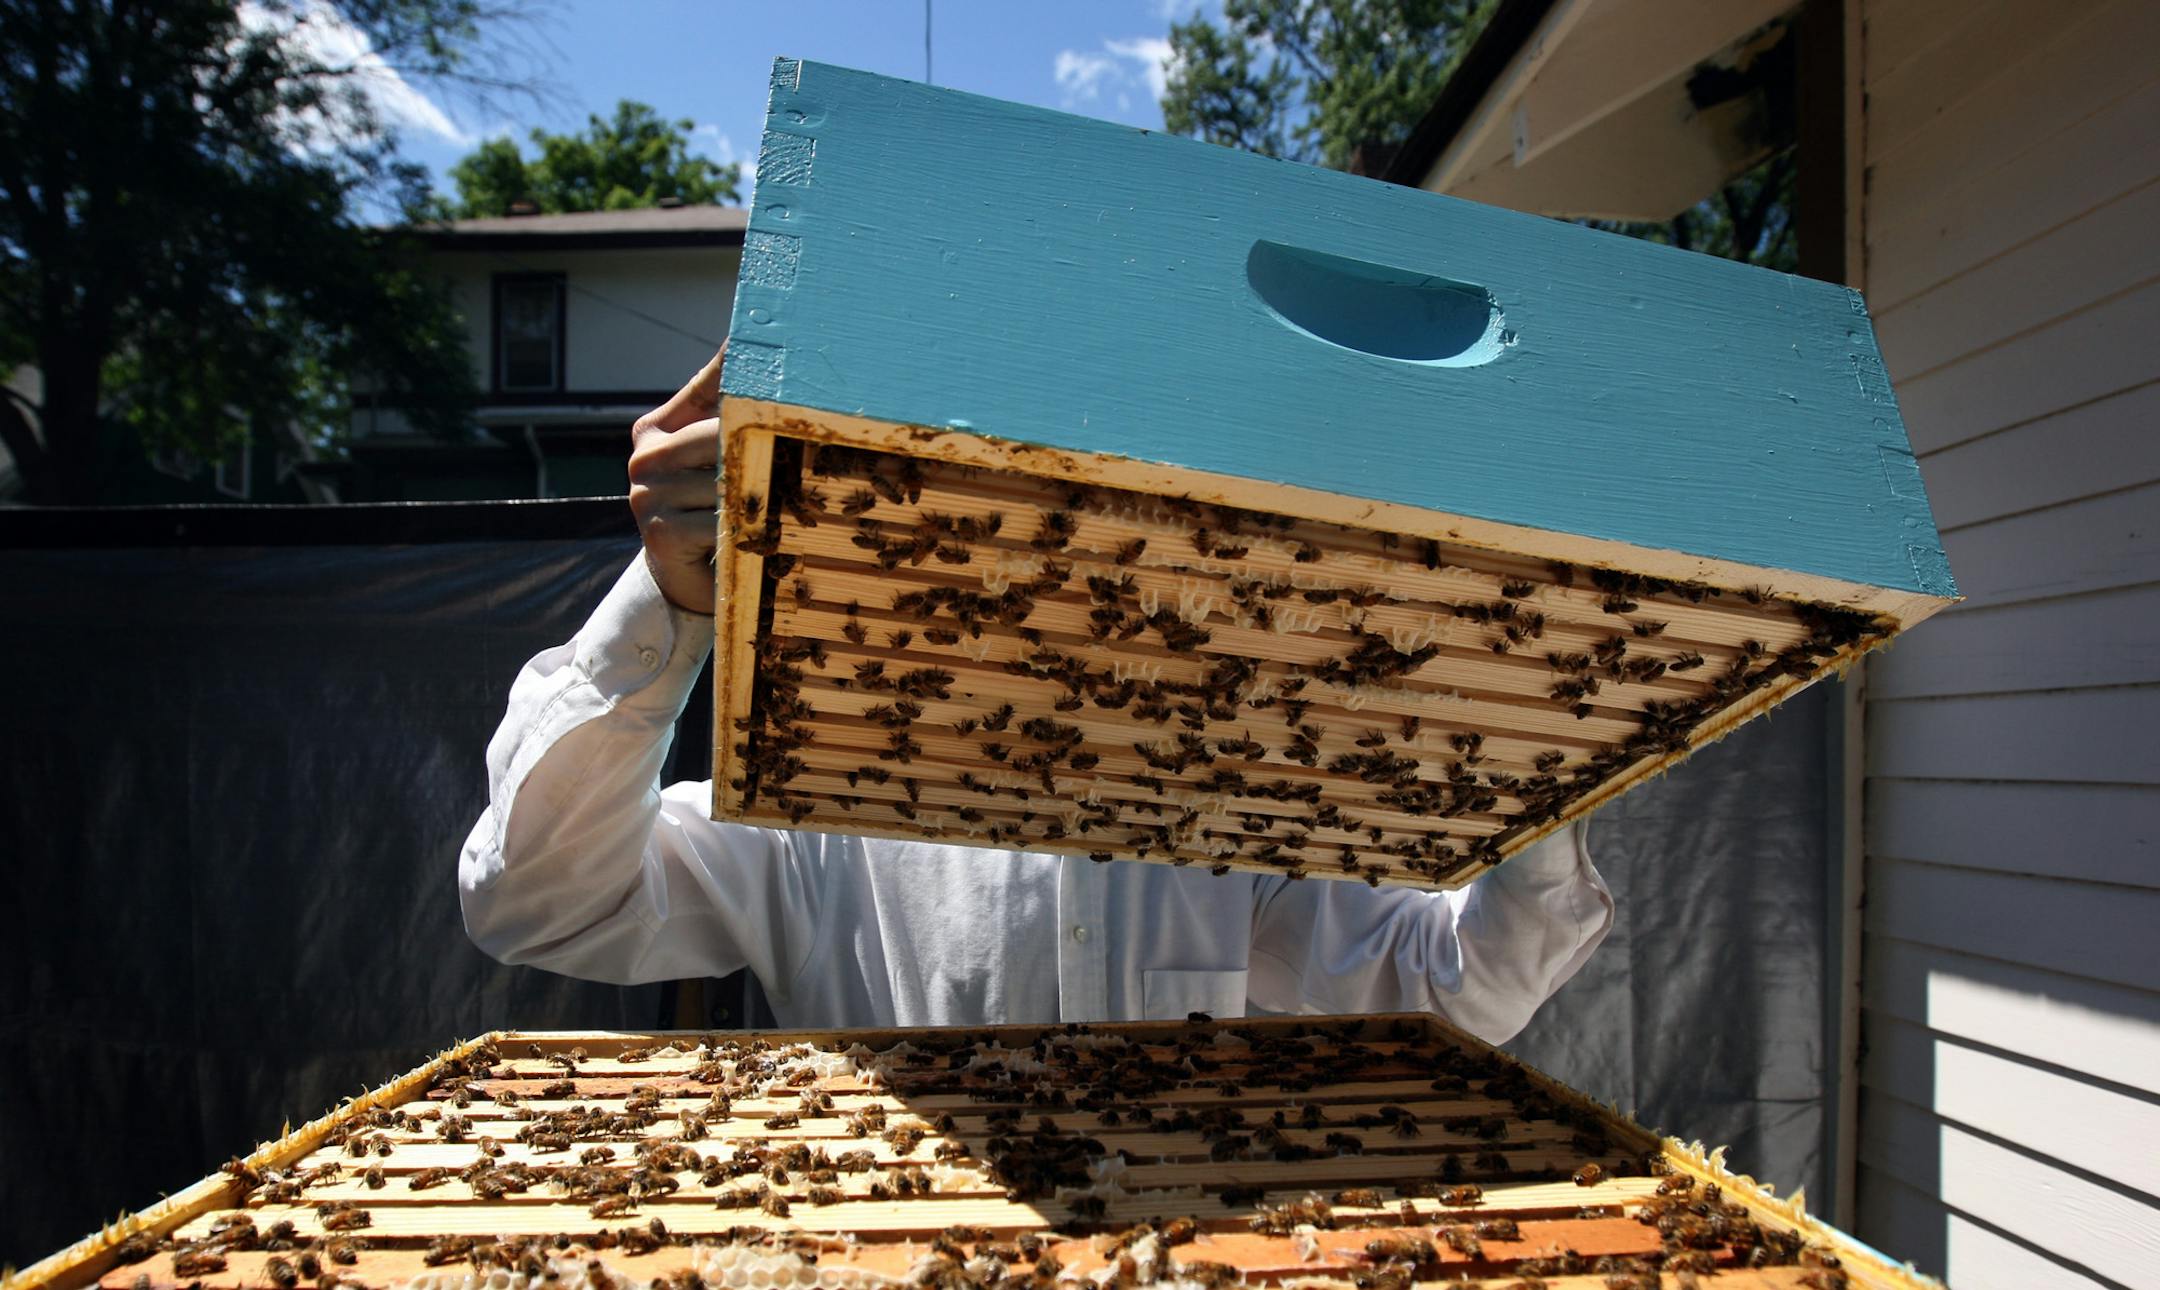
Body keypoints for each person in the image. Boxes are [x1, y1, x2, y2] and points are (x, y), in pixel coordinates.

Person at [458, 351, 1614, 1044]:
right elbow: (539, 904)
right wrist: (668, 607)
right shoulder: (810, 819)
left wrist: (1507, 719)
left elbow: (1460, 987)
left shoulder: (1221, 813)